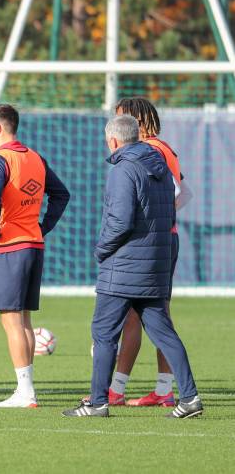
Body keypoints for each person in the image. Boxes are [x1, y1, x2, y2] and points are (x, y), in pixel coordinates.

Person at [64, 115, 203, 419]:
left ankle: (98, 402)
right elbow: (171, 211)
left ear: (113, 140)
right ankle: (190, 397)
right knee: (164, 332)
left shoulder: (123, 168)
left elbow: (121, 221)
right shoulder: (161, 166)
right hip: (155, 262)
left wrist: (101, 250)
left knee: (103, 333)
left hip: (124, 266)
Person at [102, 97, 192, 407]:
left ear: (135, 121)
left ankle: (123, 389)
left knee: (141, 314)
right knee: (146, 314)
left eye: (120, 118)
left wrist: (151, 220)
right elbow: (184, 192)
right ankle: (157, 388)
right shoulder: (162, 148)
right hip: (162, 240)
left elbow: (177, 193)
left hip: (152, 243)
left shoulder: (150, 150)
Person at [0, 104, 70, 408]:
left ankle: (25, 392)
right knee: (25, 320)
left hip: (10, 247)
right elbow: (62, 194)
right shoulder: (35, 157)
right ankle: (27, 390)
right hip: (33, 245)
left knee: (11, 321)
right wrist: (42, 227)